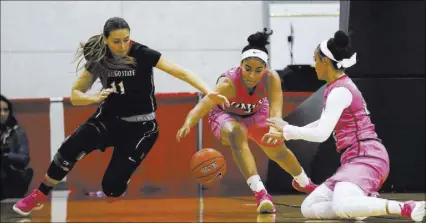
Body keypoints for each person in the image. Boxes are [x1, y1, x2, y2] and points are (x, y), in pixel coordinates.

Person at [13, 17, 229, 216]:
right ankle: (38, 195)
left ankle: (117, 186)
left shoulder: (141, 53)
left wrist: (208, 90)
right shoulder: (100, 57)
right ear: (106, 40)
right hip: (108, 120)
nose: (123, 46)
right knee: (70, 147)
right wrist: (94, 98)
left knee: (111, 188)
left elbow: (179, 71)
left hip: (142, 127)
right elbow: (76, 94)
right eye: (116, 41)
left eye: (126, 40)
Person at [265, 31, 425, 222]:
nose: (314, 65)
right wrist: (286, 131)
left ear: (325, 62)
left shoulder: (340, 91)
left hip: (367, 157)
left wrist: (286, 131)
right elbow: (324, 123)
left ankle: (406, 207)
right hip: (354, 159)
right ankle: (358, 206)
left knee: (341, 206)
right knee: (309, 208)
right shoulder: (336, 87)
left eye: (315, 60)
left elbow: (321, 133)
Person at [176, 28, 317, 214]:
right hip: (225, 115)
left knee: (278, 149)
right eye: (247, 69)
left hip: (257, 113)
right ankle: (261, 194)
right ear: (240, 65)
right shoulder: (228, 84)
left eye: (258, 70)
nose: (251, 75)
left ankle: (304, 183)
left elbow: (275, 109)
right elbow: (204, 105)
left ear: (265, 69)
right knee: (237, 134)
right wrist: (188, 122)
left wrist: (275, 130)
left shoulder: (271, 78)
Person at [1, 95, 34, 200]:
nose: (2, 114)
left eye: (6, 110)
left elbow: (24, 158)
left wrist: (6, 155)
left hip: (11, 178)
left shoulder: (17, 131)